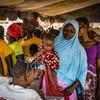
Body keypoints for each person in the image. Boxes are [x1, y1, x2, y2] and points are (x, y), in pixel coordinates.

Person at [54, 19, 88, 100]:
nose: (68, 33)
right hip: (51, 83)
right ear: (62, 29)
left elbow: (83, 70)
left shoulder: (80, 50)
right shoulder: (55, 43)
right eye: (65, 30)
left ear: (76, 33)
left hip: (68, 86)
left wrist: (73, 86)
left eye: (72, 31)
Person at [76, 17, 100, 100]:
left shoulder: (96, 44)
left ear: (86, 26)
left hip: (90, 79)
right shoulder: (75, 44)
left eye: (79, 26)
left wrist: (99, 88)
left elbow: (98, 68)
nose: (77, 29)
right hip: (75, 79)